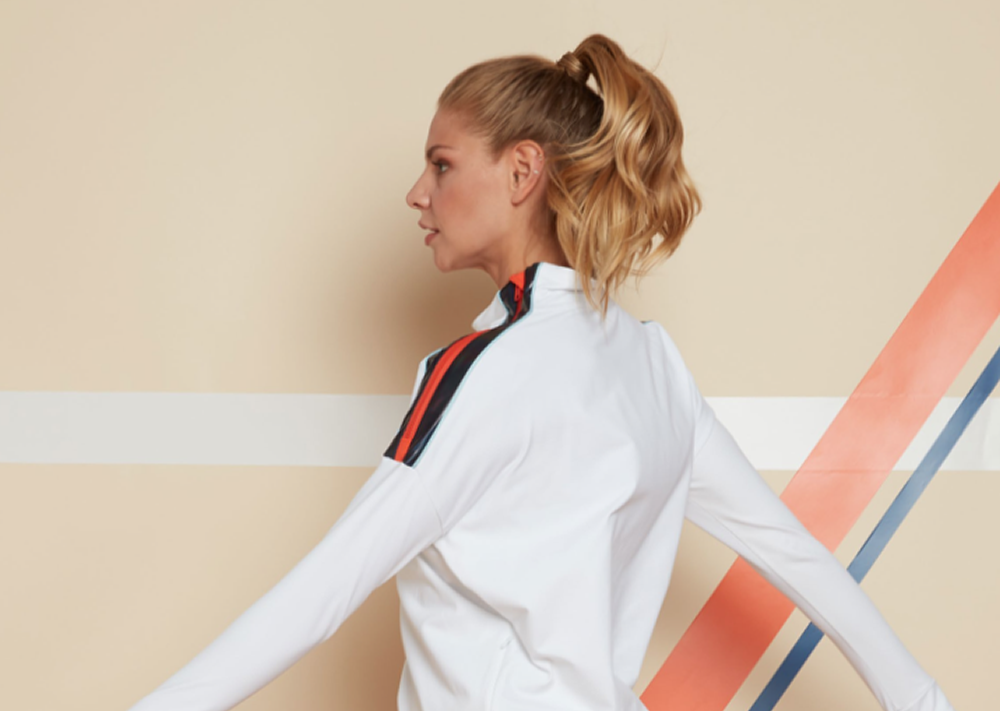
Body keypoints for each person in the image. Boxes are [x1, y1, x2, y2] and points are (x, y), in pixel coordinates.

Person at [125, 34, 955, 711]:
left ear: (522, 171)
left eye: (441, 164)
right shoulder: (650, 364)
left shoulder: (479, 374)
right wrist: (921, 698)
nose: (417, 192)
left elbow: (325, 589)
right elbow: (793, 552)